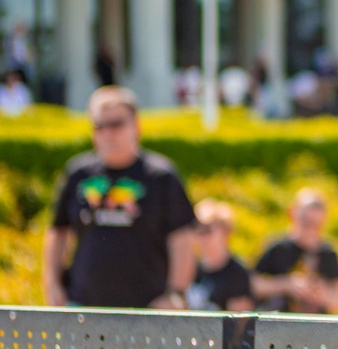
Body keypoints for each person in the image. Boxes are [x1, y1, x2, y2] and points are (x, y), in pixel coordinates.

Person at [42, 85, 197, 309]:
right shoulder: (78, 174)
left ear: (136, 126)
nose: (107, 132)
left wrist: (175, 293)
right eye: (99, 125)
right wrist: (52, 283)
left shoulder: (161, 177)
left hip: (147, 311)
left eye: (116, 124)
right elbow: (58, 232)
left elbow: (182, 240)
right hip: (82, 307)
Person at [252, 188, 338, 313]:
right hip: (279, 320)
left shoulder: (328, 254)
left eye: (316, 224)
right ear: (293, 213)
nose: (311, 229)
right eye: (306, 221)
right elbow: (254, 285)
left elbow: (337, 300)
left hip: (314, 322)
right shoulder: (277, 248)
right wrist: (286, 284)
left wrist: (320, 292)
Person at [186, 198, 254, 311]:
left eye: (207, 230)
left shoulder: (237, 274)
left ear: (225, 232)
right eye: (197, 229)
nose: (202, 236)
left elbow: (239, 318)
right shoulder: (190, 269)